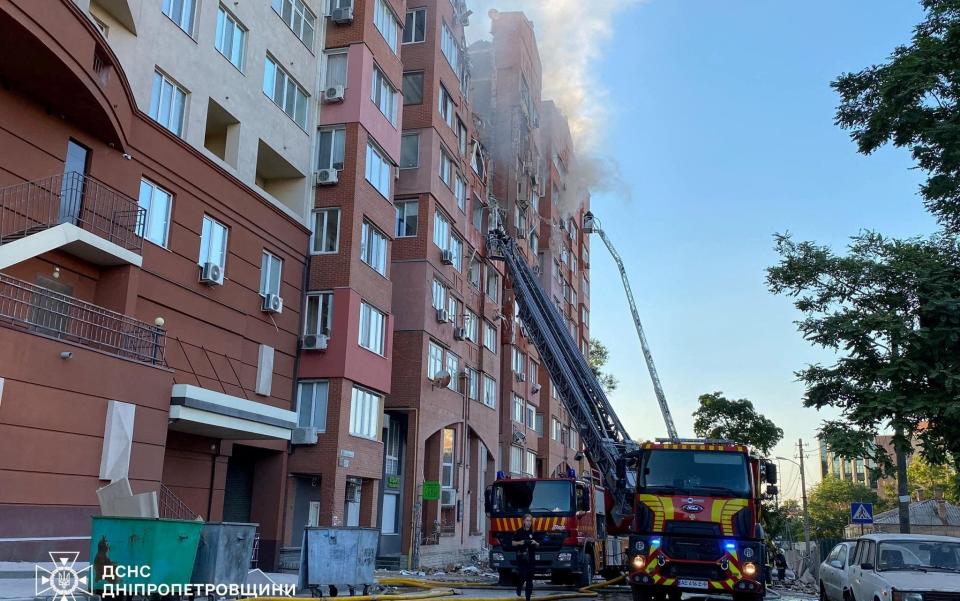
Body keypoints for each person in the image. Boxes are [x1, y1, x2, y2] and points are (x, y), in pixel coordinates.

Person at [511, 514, 539, 600]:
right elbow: (513, 543)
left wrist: (535, 543)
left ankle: (528, 598)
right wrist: (521, 542)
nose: (529, 522)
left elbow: (539, 545)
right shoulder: (519, 531)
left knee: (530, 579)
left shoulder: (534, 532)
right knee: (523, 575)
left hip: (531, 558)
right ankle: (519, 586)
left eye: (530, 521)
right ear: (523, 521)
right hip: (521, 557)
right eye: (527, 520)